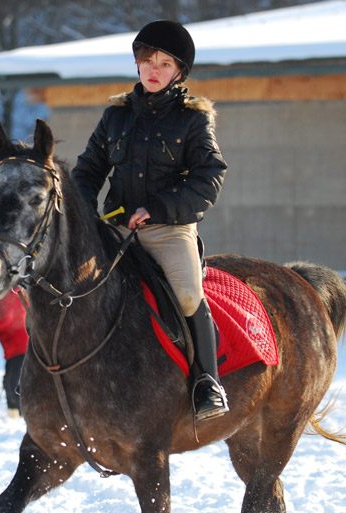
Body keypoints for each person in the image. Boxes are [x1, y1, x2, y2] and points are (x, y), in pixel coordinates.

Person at [71, 20, 229, 421]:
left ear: (179, 72)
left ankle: (207, 382)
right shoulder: (116, 115)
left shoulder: (194, 120)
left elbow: (208, 177)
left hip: (169, 230)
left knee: (189, 294)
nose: (153, 70)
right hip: (117, 227)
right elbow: (88, 169)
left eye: (163, 63)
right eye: (146, 61)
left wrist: (157, 208)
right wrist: (82, 208)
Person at [0, 291, 29, 418]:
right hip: (14, 349)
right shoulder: (8, 298)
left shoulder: (8, 297)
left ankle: (20, 413)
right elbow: (2, 329)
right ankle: (15, 412)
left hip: (20, 347)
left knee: (12, 383)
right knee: (9, 381)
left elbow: (5, 321)